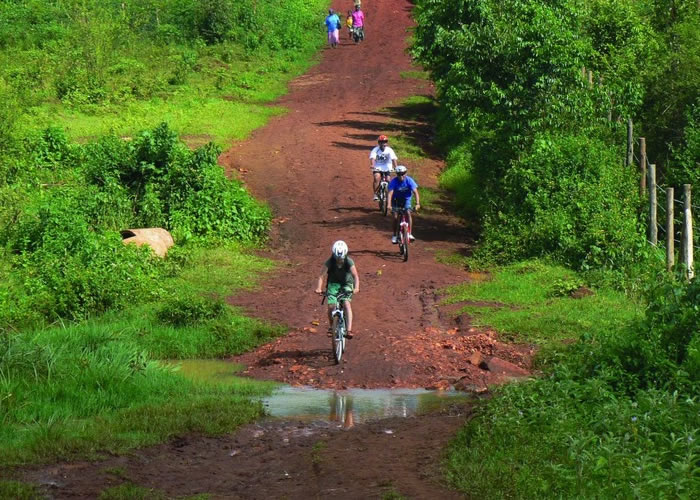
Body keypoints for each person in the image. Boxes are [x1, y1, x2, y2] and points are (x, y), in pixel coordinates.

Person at [315, 240, 360, 338]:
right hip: (333, 284)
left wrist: (356, 288)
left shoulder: (349, 261)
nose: (340, 260)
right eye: (337, 258)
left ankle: (349, 330)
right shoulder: (329, 262)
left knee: (347, 304)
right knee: (331, 306)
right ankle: (331, 327)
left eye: (342, 258)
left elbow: (355, 275)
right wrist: (319, 288)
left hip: (346, 283)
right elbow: (321, 276)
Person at [387, 165, 420, 243]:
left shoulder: (409, 180)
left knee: (408, 213)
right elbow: (390, 194)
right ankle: (395, 235)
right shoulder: (393, 181)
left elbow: (415, 192)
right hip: (395, 200)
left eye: (403, 173)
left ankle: (409, 234)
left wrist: (417, 203)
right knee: (395, 216)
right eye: (399, 174)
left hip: (406, 199)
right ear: (396, 174)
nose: (401, 176)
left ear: (406, 173)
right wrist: (389, 205)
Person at [369, 134, 398, 201]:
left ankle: (389, 195)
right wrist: (372, 165)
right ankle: (376, 194)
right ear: (379, 143)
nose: (383, 144)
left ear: (387, 143)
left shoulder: (390, 150)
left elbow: (394, 159)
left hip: (387, 167)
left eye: (385, 142)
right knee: (377, 178)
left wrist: (396, 167)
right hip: (378, 166)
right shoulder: (375, 150)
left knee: (388, 180)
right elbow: (372, 158)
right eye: (382, 142)